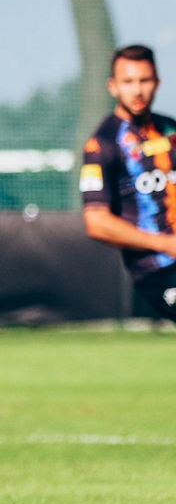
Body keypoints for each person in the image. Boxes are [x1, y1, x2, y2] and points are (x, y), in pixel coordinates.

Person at [81, 45, 176, 317]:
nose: (137, 90)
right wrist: (166, 243)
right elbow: (97, 222)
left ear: (157, 82)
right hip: (159, 269)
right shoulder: (103, 143)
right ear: (113, 86)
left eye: (144, 80)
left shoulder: (169, 129)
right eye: (128, 82)